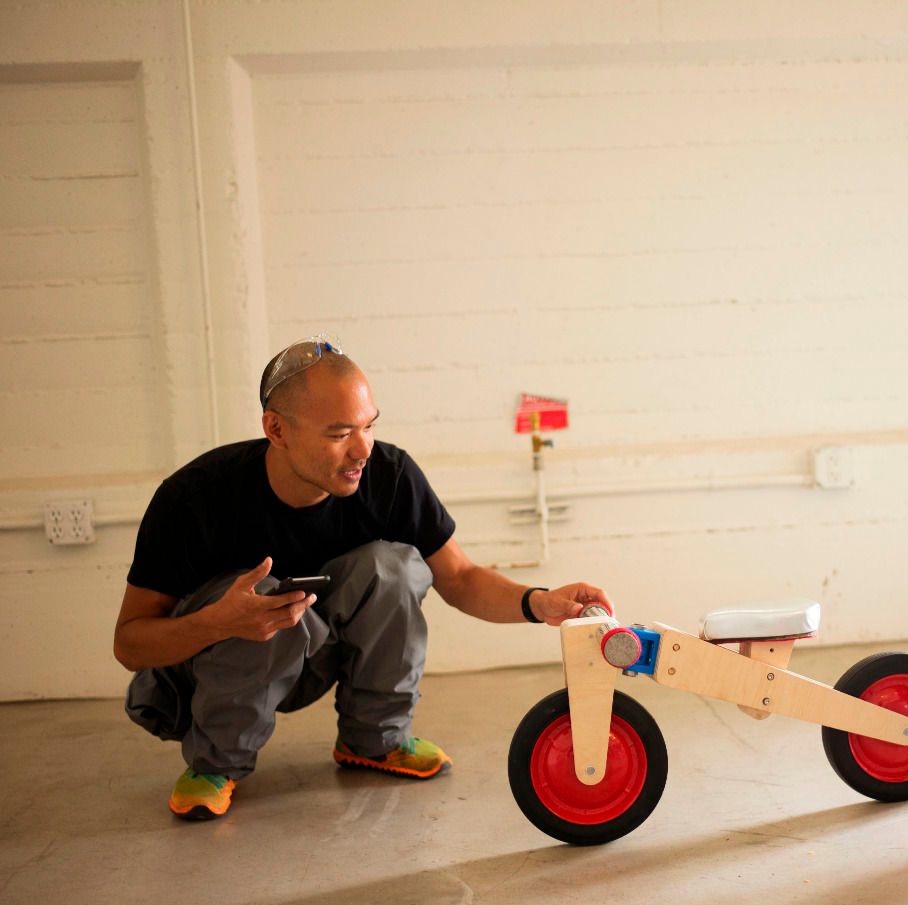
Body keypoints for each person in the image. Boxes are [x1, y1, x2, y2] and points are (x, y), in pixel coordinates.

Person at [114, 337, 612, 821]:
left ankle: (375, 740)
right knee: (260, 595)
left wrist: (541, 602)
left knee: (394, 566)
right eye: (338, 434)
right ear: (277, 429)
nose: (362, 450)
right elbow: (130, 644)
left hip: (314, 652)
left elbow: (459, 577)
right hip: (210, 671)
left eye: (368, 426)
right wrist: (217, 623)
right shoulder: (195, 498)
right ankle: (214, 764)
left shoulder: (388, 476)